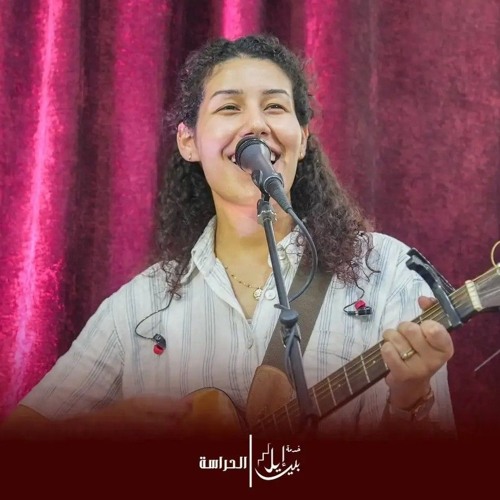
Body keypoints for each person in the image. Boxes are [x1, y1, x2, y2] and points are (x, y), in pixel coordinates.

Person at [0, 34, 455, 442]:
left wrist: (410, 400)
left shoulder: (386, 269)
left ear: (302, 138)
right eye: (229, 107)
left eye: (274, 107)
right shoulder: (140, 307)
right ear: (189, 142)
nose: (255, 124)